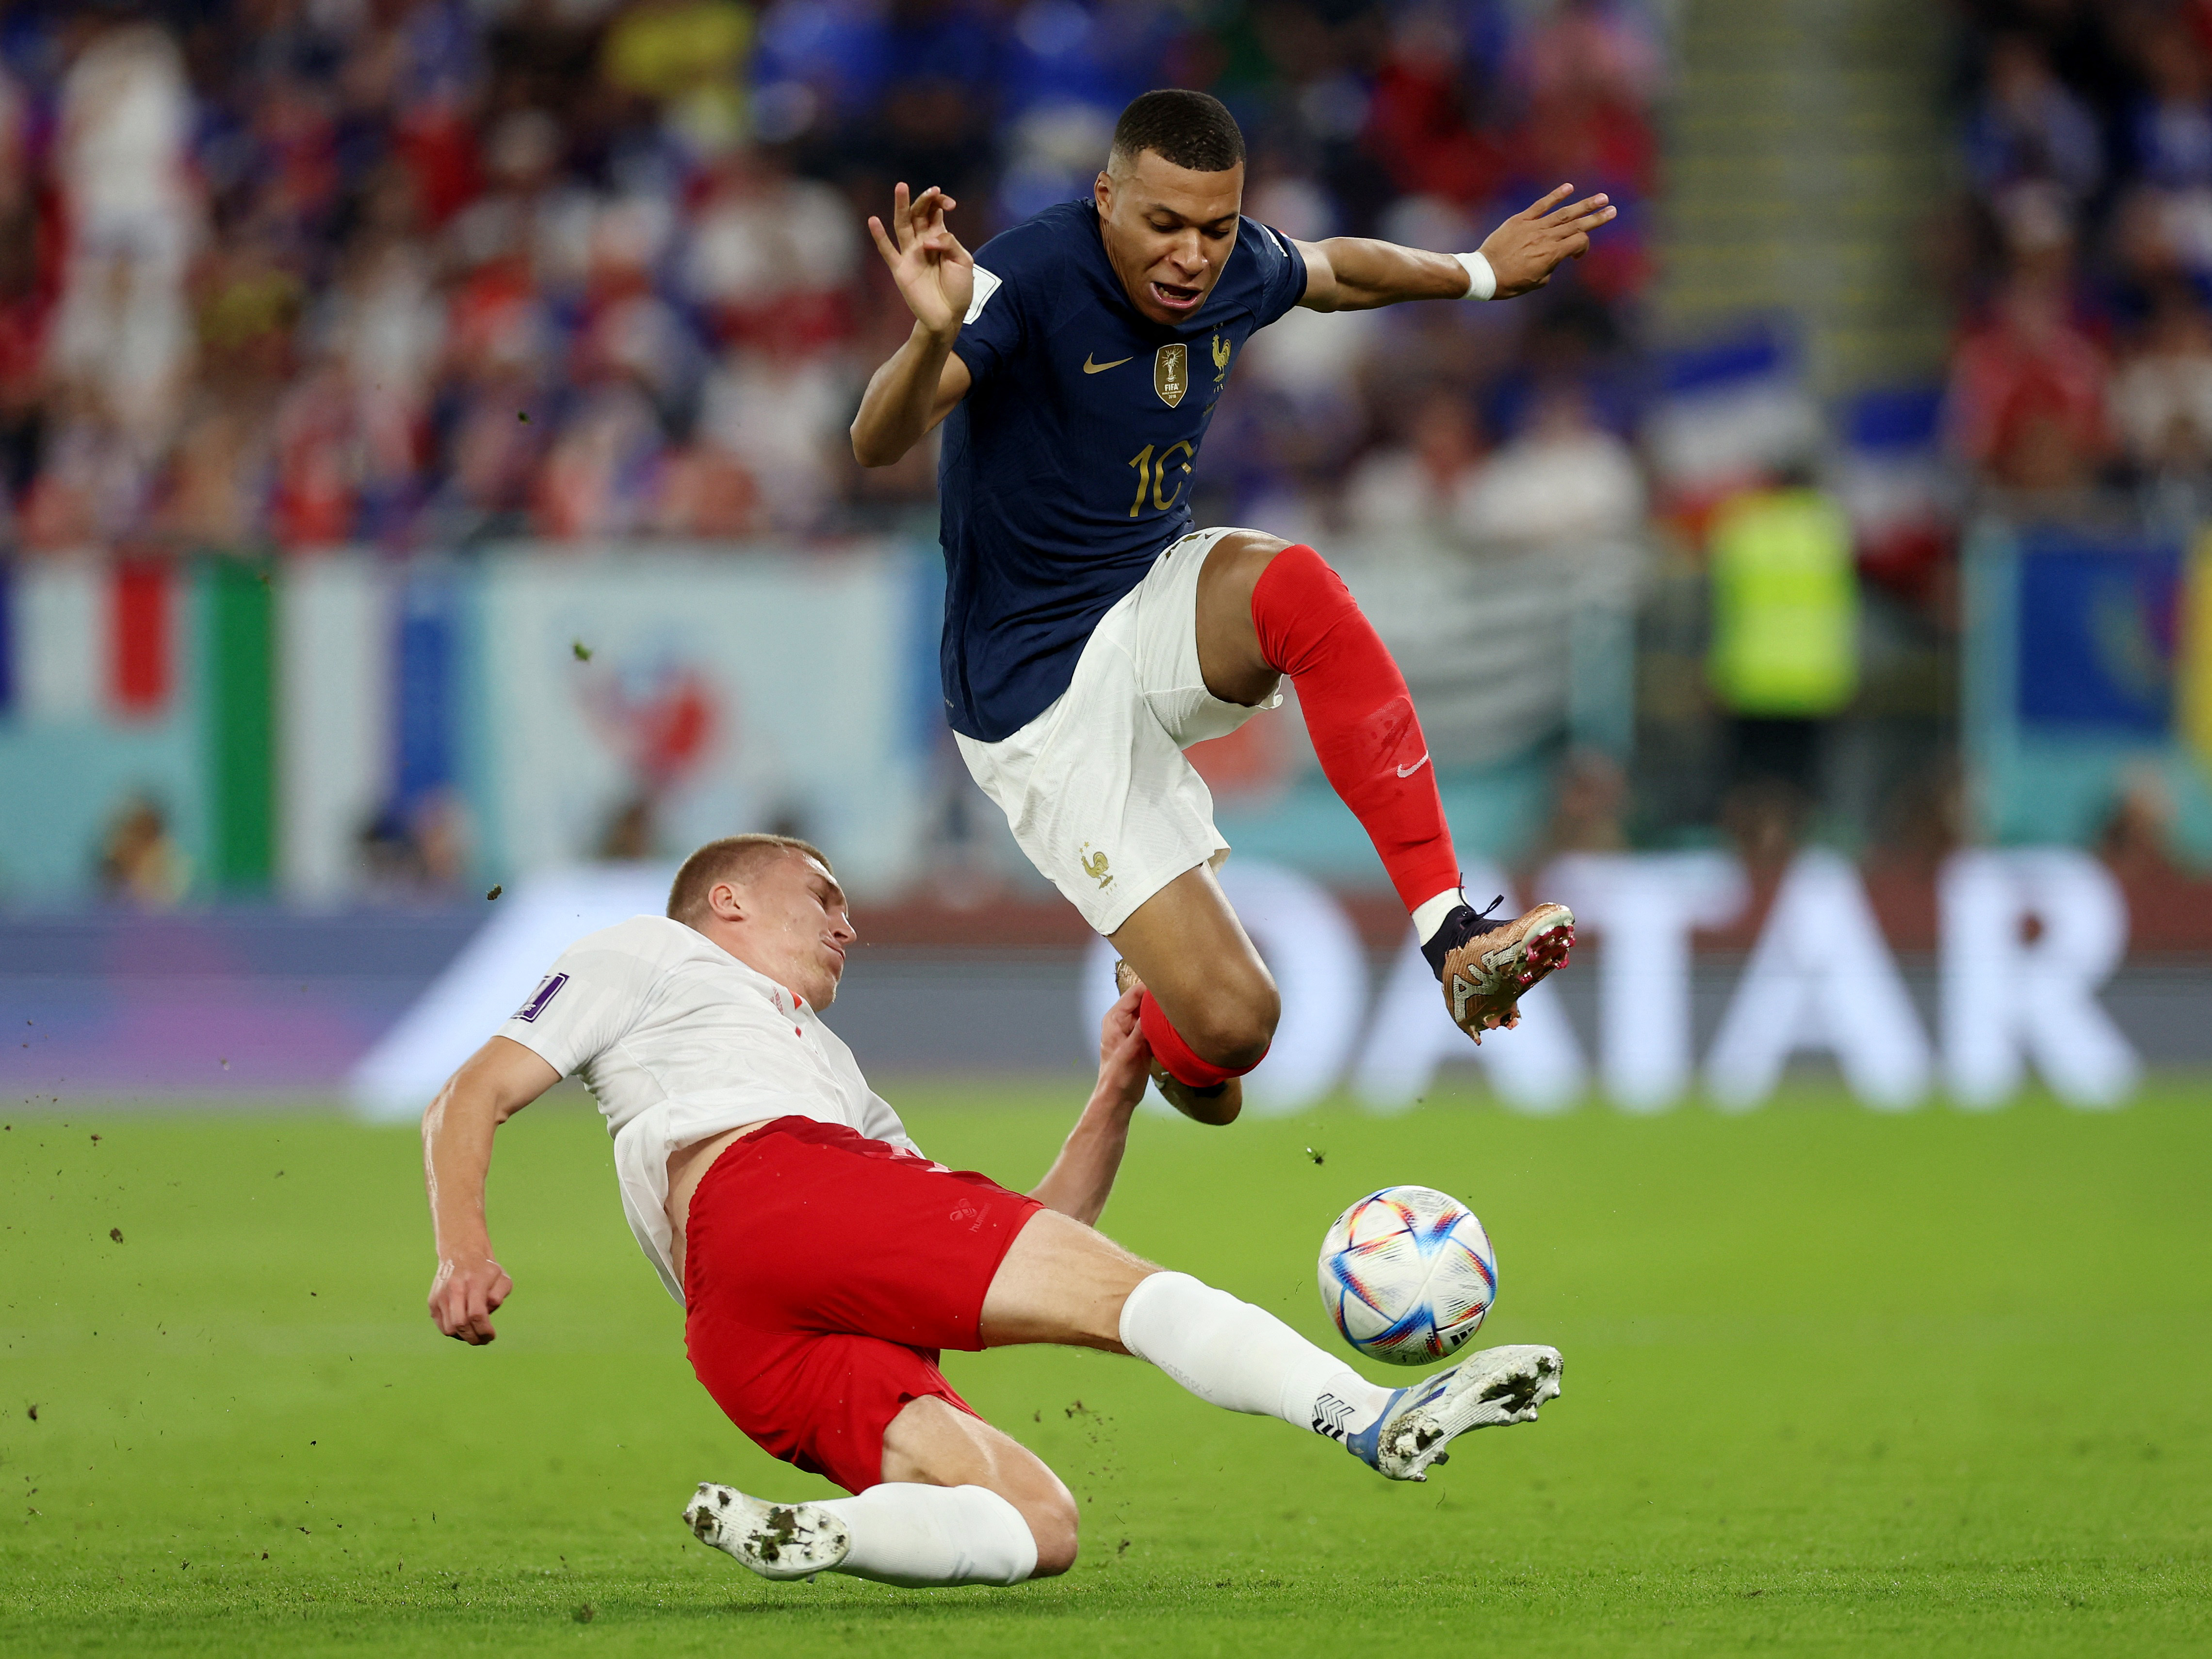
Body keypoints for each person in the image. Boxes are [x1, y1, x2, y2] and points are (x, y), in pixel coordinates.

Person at [422, 833, 1563, 1590]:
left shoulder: (831, 1070)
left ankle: (833, 1535)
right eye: (824, 894)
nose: (847, 924)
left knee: (1039, 1522)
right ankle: (1366, 1415)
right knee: (1133, 1297)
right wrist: (463, 1252)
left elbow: (1012, 1249)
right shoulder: (653, 952)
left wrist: (1116, 1094)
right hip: (772, 1190)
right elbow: (470, 1094)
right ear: (727, 899)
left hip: (743, 1329)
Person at [851, 89, 1610, 1122]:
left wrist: (1478, 273)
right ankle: (1163, 1015)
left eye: (1216, 227)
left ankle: (1453, 934)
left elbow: (1338, 270)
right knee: (1234, 1039)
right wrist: (930, 339)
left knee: (1294, 582)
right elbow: (876, 441)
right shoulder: (1023, 279)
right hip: (1035, 693)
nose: (1194, 257)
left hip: (1153, 599)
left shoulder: (1238, 263)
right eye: (1164, 224)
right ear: (1106, 197)